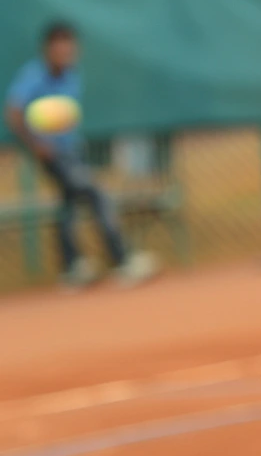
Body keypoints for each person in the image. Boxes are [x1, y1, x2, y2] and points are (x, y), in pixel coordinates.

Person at [3, 22, 157, 288]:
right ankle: (122, 260)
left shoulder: (72, 75)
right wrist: (37, 144)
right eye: (59, 46)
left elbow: (65, 117)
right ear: (47, 49)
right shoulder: (33, 75)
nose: (66, 52)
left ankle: (72, 268)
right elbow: (14, 112)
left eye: (69, 46)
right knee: (96, 193)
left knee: (70, 204)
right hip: (53, 156)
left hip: (72, 151)